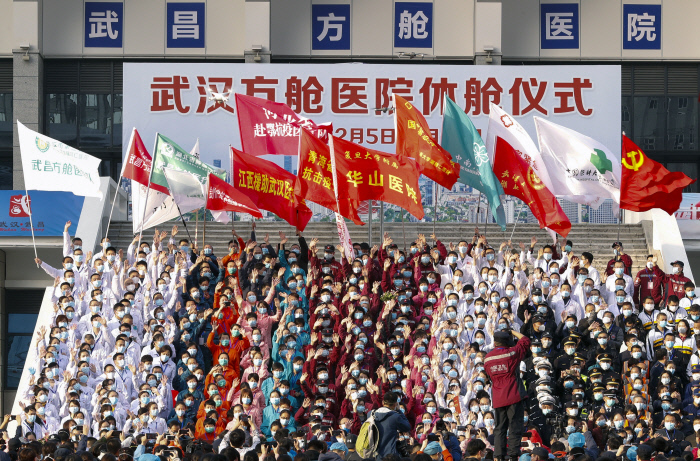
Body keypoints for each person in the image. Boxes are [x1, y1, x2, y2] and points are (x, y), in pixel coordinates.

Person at [484, 329, 530, 461]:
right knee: (515, 426)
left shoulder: (487, 358)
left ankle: (498, 455)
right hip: (513, 394)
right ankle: (513, 455)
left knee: (499, 427)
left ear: (495, 343)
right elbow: (525, 341)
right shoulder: (511, 353)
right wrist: (513, 331)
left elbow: (489, 375)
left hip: (498, 397)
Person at [372, 391, 411, 459]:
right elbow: (407, 427)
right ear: (395, 404)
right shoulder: (395, 416)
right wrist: (399, 411)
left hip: (375, 454)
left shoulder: (372, 414)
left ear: (383, 402)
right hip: (390, 455)